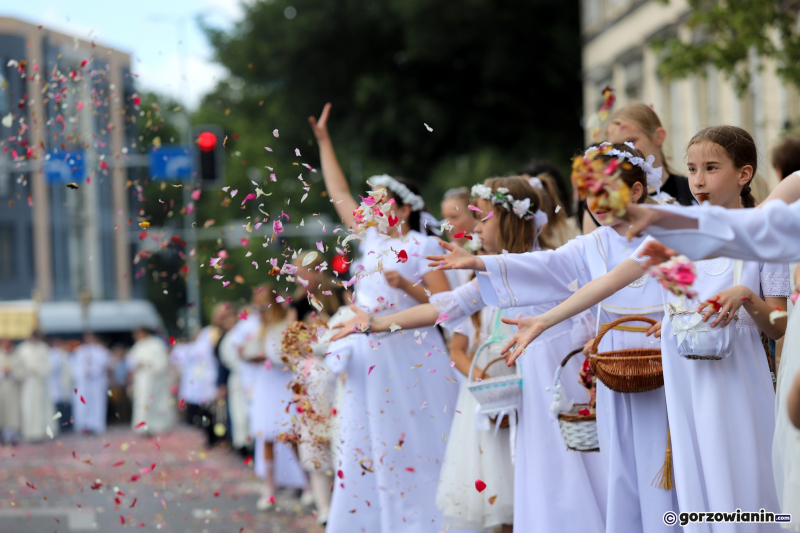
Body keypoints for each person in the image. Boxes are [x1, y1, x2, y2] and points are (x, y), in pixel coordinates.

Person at [502, 126, 788, 532]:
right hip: (684, 386)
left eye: (711, 168)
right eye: (691, 169)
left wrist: (746, 297)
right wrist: (545, 319)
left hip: (737, 385)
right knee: (695, 495)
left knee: (742, 484)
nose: (699, 180)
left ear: (743, 175)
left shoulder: (765, 238)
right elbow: (610, 281)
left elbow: (780, 326)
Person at [334, 176, 607, 533]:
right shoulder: (496, 271)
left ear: (507, 219)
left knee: (571, 472)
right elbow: (444, 308)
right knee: (539, 472)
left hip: (562, 384)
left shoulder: (548, 263)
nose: (476, 227)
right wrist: (375, 323)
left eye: (483, 218)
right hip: (530, 390)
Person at [427, 146, 678, 533]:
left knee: (664, 466)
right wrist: (481, 261)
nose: (597, 203)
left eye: (607, 190)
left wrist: (544, 320)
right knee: (621, 471)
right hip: (613, 370)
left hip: (665, 361)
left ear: (639, 191)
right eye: (590, 194)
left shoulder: (667, 231)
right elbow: (548, 263)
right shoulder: (592, 243)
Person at [309, 103, 459, 532]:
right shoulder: (372, 238)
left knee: (416, 440)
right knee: (364, 440)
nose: (369, 209)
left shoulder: (423, 247)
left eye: (380, 203)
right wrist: (324, 142)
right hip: (369, 355)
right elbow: (337, 193)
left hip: (412, 356)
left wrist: (406, 286)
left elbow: (445, 306)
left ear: (405, 209)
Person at [229, 286, 305, 510]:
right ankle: (270, 487)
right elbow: (241, 350)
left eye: (264, 306)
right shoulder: (260, 329)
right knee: (266, 436)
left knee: (291, 436)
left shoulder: (284, 327)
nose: (260, 311)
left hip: (282, 384)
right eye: (258, 307)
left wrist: (265, 356)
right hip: (265, 384)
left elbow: (290, 357)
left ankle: (307, 483)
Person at [128, 327, 174, 435]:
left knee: (153, 402)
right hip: (142, 379)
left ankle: (156, 426)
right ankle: (142, 426)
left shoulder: (156, 344)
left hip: (154, 379)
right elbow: (131, 360)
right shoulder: (138, 345)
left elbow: (161, 362)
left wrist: (147, 364)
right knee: (142, 402)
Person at [15, 331, 55, 442]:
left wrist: (38, 370)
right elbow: (17, 367)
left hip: (40, 383)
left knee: (42, 408)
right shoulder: (22, 349)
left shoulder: (43, 348)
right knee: (28, 408)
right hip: (28, 383)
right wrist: (24, 372)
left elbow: (49, 366)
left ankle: (41, 432)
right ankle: (29, 433)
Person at [440, 186, 479, 290]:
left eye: (454, 217)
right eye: (445, 218)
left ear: (472, 216)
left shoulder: (485, 248)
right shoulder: (445, 252)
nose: (447, 224)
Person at [71, 332, 111, 435]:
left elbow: (104, 365)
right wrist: (83, 372)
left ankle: (96, 425)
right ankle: (83, 425)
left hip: (96, 382)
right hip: (84, 382)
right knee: (83, 403)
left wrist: (93, 371)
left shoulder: (101, 351)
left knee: (97, 403)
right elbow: (74, 365)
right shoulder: (80, 350)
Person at [47, 338, 72, 434]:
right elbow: (52, 368)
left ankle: (65, 425)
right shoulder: (52, 353)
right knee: (57, 406)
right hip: (54, 384)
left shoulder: (62, 353)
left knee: (63, 405)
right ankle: (60, 426)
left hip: (62, 383)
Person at [0, 338, 21, 445]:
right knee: (2, 413)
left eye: (8, 342)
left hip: (13, 390)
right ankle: (3, 436)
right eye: (4, 342)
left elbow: (22, 373)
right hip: (1, 389)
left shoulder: (16, 356)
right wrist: (3, 373)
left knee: (12, 413)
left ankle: (13, 436)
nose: (6, 345)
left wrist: (12, 373)